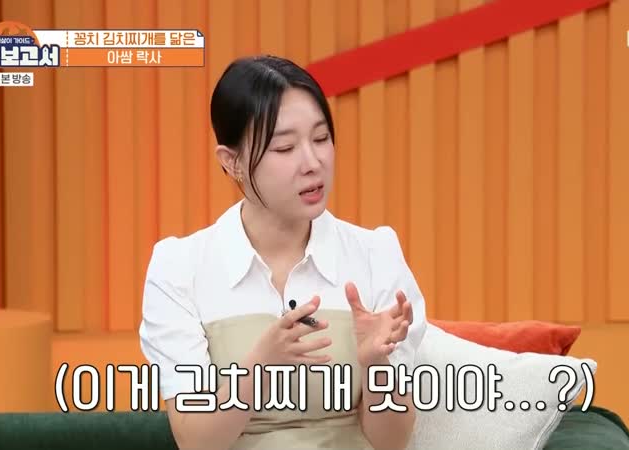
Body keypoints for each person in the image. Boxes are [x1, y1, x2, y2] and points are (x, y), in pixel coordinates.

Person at [138, 55, 427, 450]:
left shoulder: (376, 255)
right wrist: (260, 366)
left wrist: (375, 363)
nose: (313, 163)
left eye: (321, 139)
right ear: (233, 163)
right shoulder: (179, 268)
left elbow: (391, 442)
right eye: (285, 147)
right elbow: (196, 441)